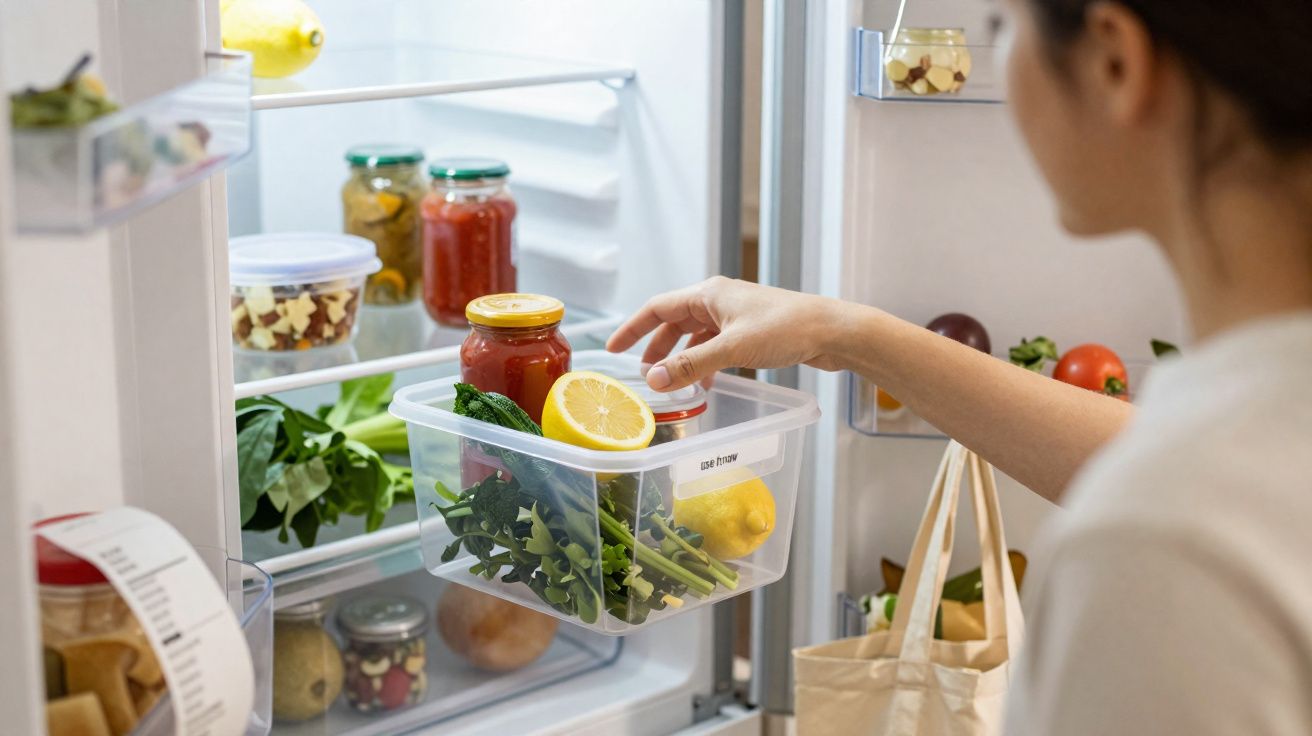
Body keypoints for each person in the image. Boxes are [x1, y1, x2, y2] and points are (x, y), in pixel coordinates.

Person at [607, 0, 1312, 732]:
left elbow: (1173, 495)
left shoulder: (1156, 549)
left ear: (1115, 61)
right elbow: (1163, 460)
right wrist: (843, 332)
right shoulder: (1235, 466)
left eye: (1002, 26)